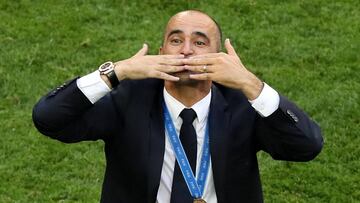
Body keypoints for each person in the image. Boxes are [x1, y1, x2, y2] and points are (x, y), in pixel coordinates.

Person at [32, 10, 323, 203]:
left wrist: (250, 83)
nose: (185, 50)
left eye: (199, 42)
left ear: (219, 57)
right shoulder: (130, 99)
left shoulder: (242, 103)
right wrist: (115, 72)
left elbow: (307, 146)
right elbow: (48, 118)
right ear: (160, 53)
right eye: (175, 40)